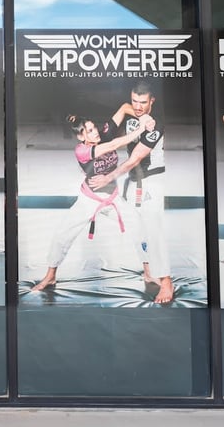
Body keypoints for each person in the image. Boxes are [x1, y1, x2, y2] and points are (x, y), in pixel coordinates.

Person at [33, 115, 174, 302]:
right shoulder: (82, 150)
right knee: (62, 235)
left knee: (140, 228)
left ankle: (148, 273)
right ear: (81, 137)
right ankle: (50, 276)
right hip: (89, 200)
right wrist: (141, 129)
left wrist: (143, 117)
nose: (95, 132)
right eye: (90, 130)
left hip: (113, 199)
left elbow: (124, 109)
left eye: (94, 127)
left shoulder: (103, 136)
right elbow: (115, 144)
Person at [109, 80, 172, 301]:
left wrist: (109, 177)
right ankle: (148, 272)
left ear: (152, 101)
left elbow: (135, 158)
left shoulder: (157, 125)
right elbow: (126, 110)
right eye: (134, 101)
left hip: (152, 181)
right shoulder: (132, 113)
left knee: (154, 231)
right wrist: (132, 112)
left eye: (143, 102)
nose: (137, 106)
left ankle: (166, 282)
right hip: (132, 182)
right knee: (137, 230)